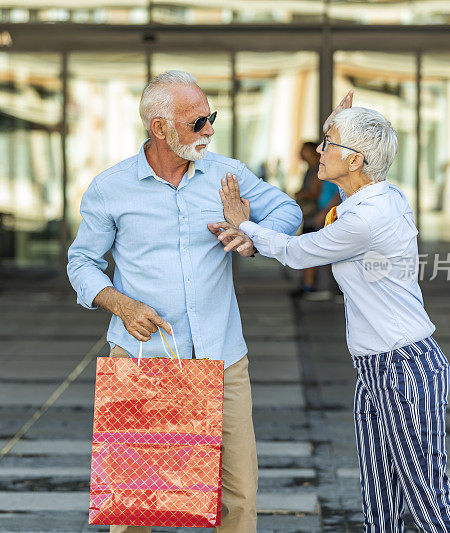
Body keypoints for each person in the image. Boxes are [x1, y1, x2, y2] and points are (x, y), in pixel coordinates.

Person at [213, 94, 450, 533]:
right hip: (375, 368)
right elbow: (324, 216)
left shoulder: (367, 218)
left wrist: (244, 223)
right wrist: (339, 120)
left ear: (355, 160)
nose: (319, 151)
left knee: (429, 501)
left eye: (329, 143)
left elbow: (297, 252)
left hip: (403, 366)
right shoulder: (368, 200)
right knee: (379, 502)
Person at [67, 70, 302, 533]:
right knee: (136, 505)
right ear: (159, 128)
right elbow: (82, 263)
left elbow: (287, 210)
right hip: (144, 360)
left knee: (238, 496)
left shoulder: (226, 175)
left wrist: (248, 236)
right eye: (197, 123)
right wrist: (121, 304)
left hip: (222, 359)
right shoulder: (110, 188)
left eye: (210, 118)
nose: (209, 130)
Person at [294, 141, 341, 301]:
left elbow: (334, 194)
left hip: (322, 215)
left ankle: (327, 288)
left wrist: (324, 212)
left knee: (318, 251)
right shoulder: (313, 170)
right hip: (318, 215)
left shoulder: (324, 171)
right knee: (313, 250)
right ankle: (312, 286)